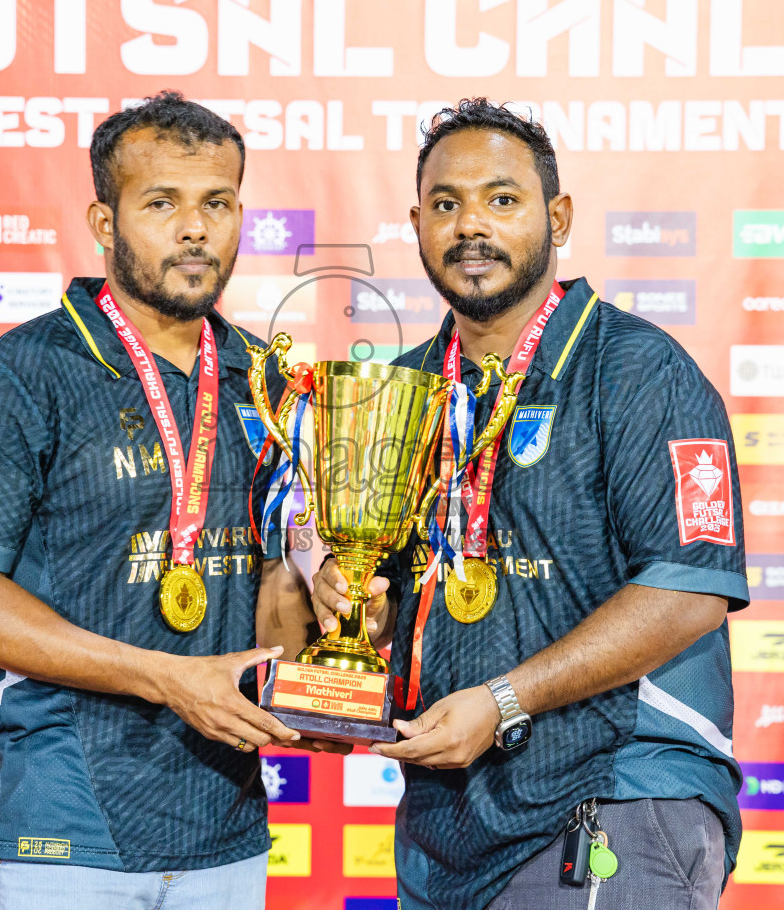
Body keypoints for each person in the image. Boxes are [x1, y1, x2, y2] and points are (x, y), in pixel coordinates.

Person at [312, 98, 748, 909]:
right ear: (415, 222)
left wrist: (505, 700)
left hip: (613, 797)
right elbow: (390, 599)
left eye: (500, 199)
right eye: (446, 204)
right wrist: (355, 609)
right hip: (446, 823)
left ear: (557, 216)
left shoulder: (641, 371)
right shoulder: (398, 391)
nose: (470, 225)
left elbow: (690, 590)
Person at [0, 91, 326, 910]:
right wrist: (167, 678)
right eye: (161, 204)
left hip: (225, 822)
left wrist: (327, 598)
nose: (193, 229)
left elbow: (275, 618)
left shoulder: (273, 381)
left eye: (216, 203)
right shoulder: (23, 373)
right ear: (105, 223)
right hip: (62, 822)